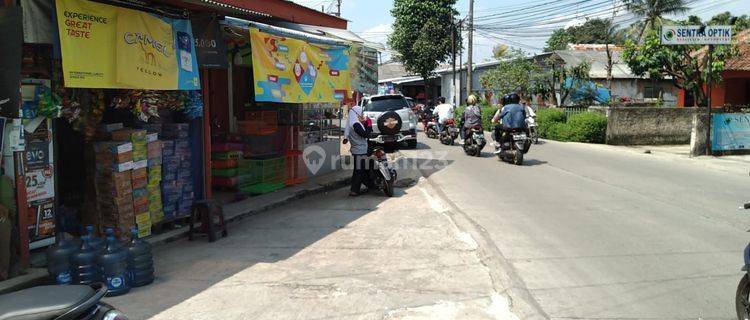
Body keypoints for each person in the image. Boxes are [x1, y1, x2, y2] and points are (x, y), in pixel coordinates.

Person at [345, 105, 375, 196]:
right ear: (356, 113)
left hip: (357, 149)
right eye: (361, 113)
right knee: (359, 171)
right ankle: (355, 190)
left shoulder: (353, 123)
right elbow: (365, 134)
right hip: (360, 150)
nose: (362, 115)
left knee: (359, 170)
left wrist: (365, 123)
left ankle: (362, 187)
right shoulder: (355, 124)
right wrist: (369, 125)